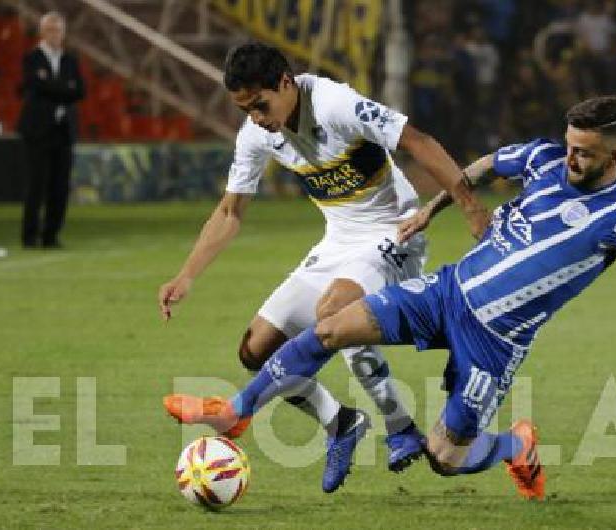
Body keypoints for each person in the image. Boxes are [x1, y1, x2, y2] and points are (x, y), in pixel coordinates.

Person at [164, 95, 616, 500]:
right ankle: (237, 414)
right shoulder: (541, 157)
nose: (569, 158)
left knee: (444, 458)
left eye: (583, 153)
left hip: (495, 344)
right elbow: (480, 168)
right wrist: (431, 209)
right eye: (569, 145)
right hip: (446, 292)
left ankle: (514, 446)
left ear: (614, 158)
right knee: (333, 326)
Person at [157, 43, 489, 493]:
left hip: (395, 233)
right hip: (338, 241)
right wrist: (186, 274)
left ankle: (398, 426)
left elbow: (418, 141)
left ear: (286, 83)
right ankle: (341, 424)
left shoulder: (335, 104)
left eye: (260, 104)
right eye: (245, 108)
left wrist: (469, 205)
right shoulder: (257, 133)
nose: (255, 116)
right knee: (256, 350)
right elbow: (231, 211)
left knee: (335, 309)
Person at [18, 11, 85, 248]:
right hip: (37, 130)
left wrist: (51, 86)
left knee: (60, 185)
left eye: (58, 30)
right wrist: (63, 88)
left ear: (63, 33)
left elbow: (79, 91)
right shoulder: (32, 59)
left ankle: (51, 235)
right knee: (36, 184)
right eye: (50, 30)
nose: (55, 35)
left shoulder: (70, 60)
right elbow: (34, 86)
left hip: (63, 130)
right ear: (42, 32)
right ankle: (29, 236)